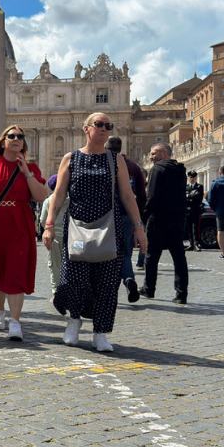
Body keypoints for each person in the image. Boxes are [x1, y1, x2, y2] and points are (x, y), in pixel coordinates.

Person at [45, 113, 145, 352]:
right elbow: (58, 195)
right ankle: (74, 321)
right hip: (77, 227)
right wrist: (49, 225)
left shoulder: (116, 159)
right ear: (86, 129)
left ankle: (101, 332)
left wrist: (139, 227)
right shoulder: (71, 158)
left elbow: (127, 196)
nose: (103, 129)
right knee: (75, 278)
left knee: (108, 281)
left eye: (108, 126)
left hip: (108, 227)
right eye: (98, 125)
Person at [0, 125, 47, 340]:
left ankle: (15, 321)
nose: (16, 139)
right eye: (11, 136)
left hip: (21, 223)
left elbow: (41, 197)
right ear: (3, 142)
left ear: (24, 142)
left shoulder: (31, 168)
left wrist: (27, 173)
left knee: (16, 271)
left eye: (20, 137)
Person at [140, 143, 187, 303]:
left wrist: (142, 219)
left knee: (152, 256)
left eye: (154, 153)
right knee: (179, 257)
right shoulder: (181, 169)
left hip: (158, 219)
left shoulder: (157, 169)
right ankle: (181, 294)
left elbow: (151, 197)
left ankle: (149, 288)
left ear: (164, 152)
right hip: (177, 219)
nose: (151, 156)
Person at [105, 136, 146, 301]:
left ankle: (107, 292)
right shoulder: (133, 167)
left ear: (107, 148)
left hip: (105, 216)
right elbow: (141, 197)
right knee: (125, 252)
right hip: (127, 216)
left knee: (104, 253)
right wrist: (139, 221)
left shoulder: (102, 164)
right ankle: (129, 278)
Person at [38, 174, 64, 300]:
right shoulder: (72, 198)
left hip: (54, 237)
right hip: (71, 237)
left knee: (55, 266)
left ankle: (57, 293)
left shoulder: (49, 201)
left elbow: (43, 220)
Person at [184, 170, 204, 251]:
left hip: (196, 209)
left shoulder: (199, 187)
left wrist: (188, 196)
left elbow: (198, 198)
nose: (192, 179)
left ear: (196, 178)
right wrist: (191, 196)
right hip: (188, 210)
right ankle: (191, 243)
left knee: (195, 227)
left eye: (193, 177)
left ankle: (196, 243)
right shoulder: (185, 187)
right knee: (189, 227)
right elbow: (183, 198)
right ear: (188, 178)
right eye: (190, 177)